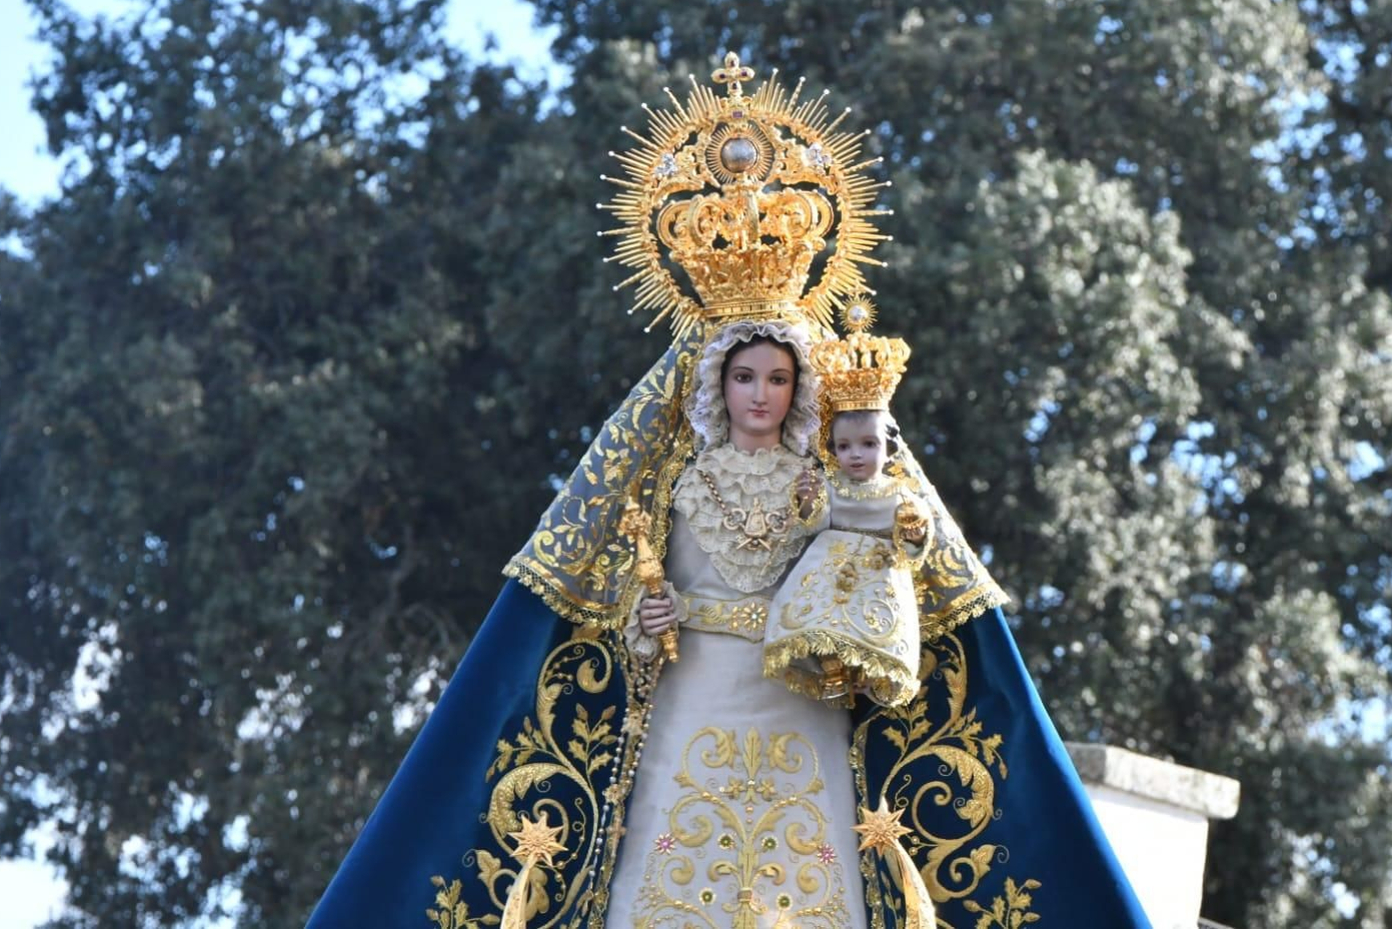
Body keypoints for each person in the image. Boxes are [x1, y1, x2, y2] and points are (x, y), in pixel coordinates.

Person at [308, 54, 1152, 929]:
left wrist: (895, 506)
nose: (761, 393)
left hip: (798, 691)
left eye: (778, 377)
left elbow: (891, 538)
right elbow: (615, 605)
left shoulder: (828, 476)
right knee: (674, 865)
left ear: (800, 387)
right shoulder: (673, 475)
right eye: (745, 376)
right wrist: (646, 621)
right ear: (717, 383)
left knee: (806, 869)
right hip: (696, 682)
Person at [763, 312, 930, 708]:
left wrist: (914, 532)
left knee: (872, 628)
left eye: (868, 444)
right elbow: (815, 525)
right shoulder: (831, 486)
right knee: (820, 622)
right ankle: (832, 671)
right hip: (828, 568)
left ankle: (865, 676)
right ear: (833, 449)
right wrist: (806, 501)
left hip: (878, 575)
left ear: (888, 446)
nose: (856, 455)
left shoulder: (902, 495)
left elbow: (912, 553)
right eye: (845, 446)